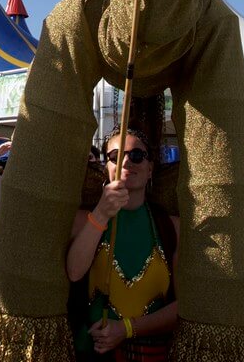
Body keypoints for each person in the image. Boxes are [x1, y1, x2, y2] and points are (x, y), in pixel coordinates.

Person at [66, 129, 178, 360]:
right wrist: (100, 215)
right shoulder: (82, 220)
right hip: (93, 353)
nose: (126, 161)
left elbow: (185, 306)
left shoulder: (171, 228)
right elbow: (75, 272)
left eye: (137, 155)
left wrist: (126, 329)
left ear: (150, 169)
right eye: (115, 156)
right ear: (106, 168)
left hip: (152, 354)